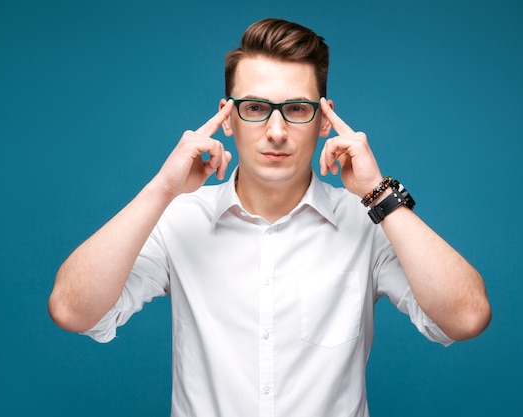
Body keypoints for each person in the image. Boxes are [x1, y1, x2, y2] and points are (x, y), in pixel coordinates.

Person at [48, 18, 491, 417]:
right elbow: (72, 310)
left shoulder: (367, 223)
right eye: (256, 108)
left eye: (297, 109)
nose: (276, 131)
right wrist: (162, 189)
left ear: (322, 120)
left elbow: (467, 317)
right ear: (227, 117)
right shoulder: (179, 219)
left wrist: (380, 195)